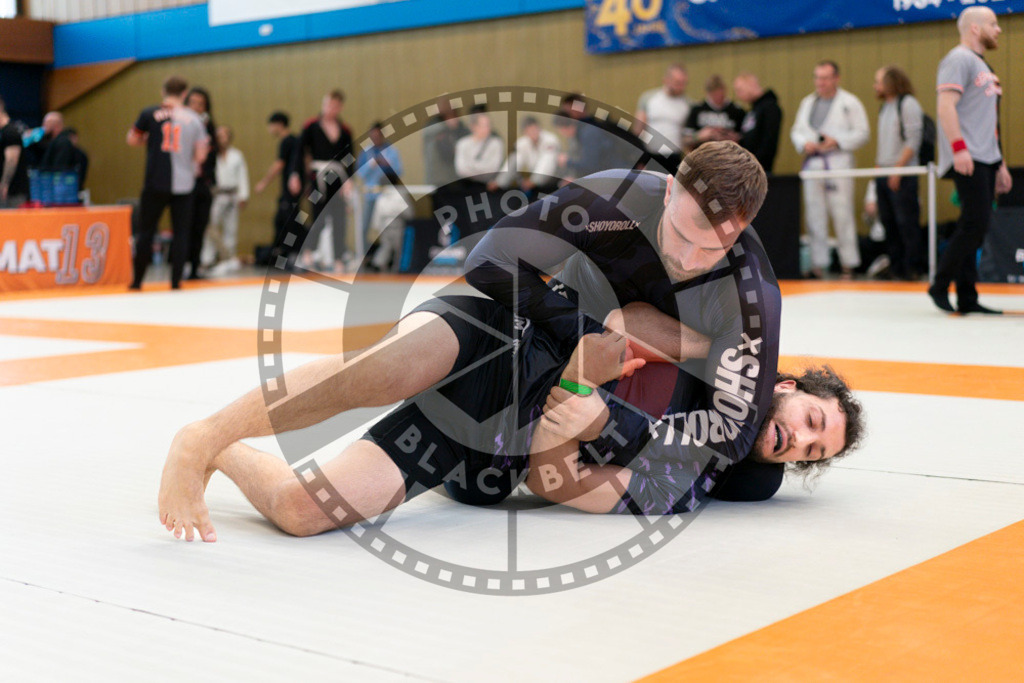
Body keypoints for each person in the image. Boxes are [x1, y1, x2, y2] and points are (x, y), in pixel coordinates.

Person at [158, 141, 863, 540]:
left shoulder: (749, 302)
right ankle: (202, 435)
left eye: (704, 250)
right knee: (391, 364)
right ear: (668, 186)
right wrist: (583, 328)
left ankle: (225, 449)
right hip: (513, 319)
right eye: (675, 231)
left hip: (533, 399)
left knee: (301, 510)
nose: (681, 256)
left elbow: (733, 441)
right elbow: (487, 258)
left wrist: (607, 404)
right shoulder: (618, 195)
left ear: (739, 236)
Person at [928, 6, 1012, 314]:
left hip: (986, 156)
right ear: (975, 28)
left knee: (977, 224)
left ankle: (967, 295)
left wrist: (999, 162)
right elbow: (945, 106)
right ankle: (940, 283)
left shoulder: (982, 65)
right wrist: (959, 148)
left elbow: (989, 120)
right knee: (975, 222)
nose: (999, 29)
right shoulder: (958, 59)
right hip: (969, 155)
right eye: (993, 23)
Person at [126, 76, 209, 290]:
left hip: (155, 181)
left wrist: (149, 140)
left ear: (163, 91)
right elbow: (201, 156)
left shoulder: (149, 113)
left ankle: (137, 281)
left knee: (146, 231)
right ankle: (175, 282)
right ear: (185, 94)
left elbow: (132, 139)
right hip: (185, 184)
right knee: (181, 233)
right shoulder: (195, 119)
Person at [791, 60, 870, 279]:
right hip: (813, 163)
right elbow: (796, 130)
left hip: (837, 163)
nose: (821, 82)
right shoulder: (808, 102)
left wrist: (837, 141)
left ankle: (848, 263)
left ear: (836, 78)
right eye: (817, 77)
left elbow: (862, 133)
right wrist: (803, 143)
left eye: (825, 78)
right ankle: (819, 264)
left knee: (841, 212)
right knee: (814, 215)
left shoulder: (849, 103)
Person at [289, 90, 355, 274]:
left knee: (339, 219)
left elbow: (349, 157)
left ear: (340, 107)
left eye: (334, 106)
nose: (330, 109)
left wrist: (349, 180)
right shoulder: (311, 126)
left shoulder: (345, 130)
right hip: (318, 178)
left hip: (338, 177)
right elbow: (299, 151)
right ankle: (308, 253)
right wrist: (295, 174)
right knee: (318, 216)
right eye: (327, 104)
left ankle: (339, 258)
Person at [873, 65, 924, 281]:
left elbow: (913, 138)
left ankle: (913, 267)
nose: (875, 86)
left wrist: (898, 169)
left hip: (902, 173)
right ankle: (897, 267)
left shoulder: (908, 103)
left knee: (906, 222)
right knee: (889, 222)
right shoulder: (885, 107)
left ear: (891, 82)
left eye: (879, 81)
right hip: (884, 172)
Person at [253, 111, 300, 263]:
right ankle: (283, 253)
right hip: (292, 191)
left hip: (290, 191)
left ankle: (292, 254)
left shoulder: (287, 141)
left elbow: (279, 165)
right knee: (282, 221)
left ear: (279, 124)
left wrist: (263, 183)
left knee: (289, 222)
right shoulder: (295, 140)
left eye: (271, 125)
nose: (270, 129)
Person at [204, 125, 249, 274]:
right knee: (211, 229)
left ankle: (229, 258)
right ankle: (207, 259)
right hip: (215, 195)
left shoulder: (237, 155)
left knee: (231, 229)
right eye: (219, 135)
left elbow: (243, 176)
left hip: (232, 195)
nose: (222, 138)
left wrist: (244, 196)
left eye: (224, 135)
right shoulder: (210, 154)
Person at [184, 87, 217, 280]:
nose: (196, 107)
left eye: (201, 103)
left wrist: (211, 180)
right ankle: (182, 265)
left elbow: (211, 156)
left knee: (200, 225)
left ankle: (195, 266)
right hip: (184, 182)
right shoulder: (181, 124)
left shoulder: (208, 125)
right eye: (193, 102)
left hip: (203, 183)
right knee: (184, 226)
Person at [356, 120, 404, 254]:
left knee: (386, 229)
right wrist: (372, 164)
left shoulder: (391, 151)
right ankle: (364, 255)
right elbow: (360, 173)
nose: (375, 139)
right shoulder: (365, 153)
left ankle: (385, 258)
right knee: (364, 227)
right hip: (370, 195)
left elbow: (399, 171)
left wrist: (386, 164)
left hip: (386, 196)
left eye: (378, 136)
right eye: (373, 136)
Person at [635, 64, 692, 175]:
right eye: (677, 83)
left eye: (684, 83)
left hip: (674, 156)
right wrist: (639, 159)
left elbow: (688, 136)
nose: (681, 87)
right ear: (666, 80)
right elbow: (637, 130)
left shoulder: (688, 104)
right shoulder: (648, 98)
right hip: (650, 154)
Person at [497, 116, 561, 197]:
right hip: (534, 183)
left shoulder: (551, 139)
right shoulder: (522, 143)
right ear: (525, 132)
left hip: (553, 181)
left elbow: (547, 164)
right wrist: (500, 182)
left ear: (539, 128)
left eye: (535, 129)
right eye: (529, 131)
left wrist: (533, 181)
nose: (533, 133)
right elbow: (514, 163)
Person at [733, 72, 782, 173]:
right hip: (747, 167)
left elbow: (769, 143)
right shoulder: (753, 111)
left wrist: (753, 164)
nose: (738, 95)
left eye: (740, 90)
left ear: (751, 85)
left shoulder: (770, 108)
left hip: (759, 169)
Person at [682, 74, 745, 152]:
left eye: (721, 94)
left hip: (729, 157)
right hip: (704, 157)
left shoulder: (737, 110)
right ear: (708, 93)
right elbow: (685, 140)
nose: (718, 98)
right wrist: (699, 136)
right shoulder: (697, 110)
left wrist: (734, 137)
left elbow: (748, 138)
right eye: (715, 95)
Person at [0, 96, 30, 208]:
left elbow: (12, 160)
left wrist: (4, 184)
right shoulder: (3, 132)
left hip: (13, 193)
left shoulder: (10, 132)